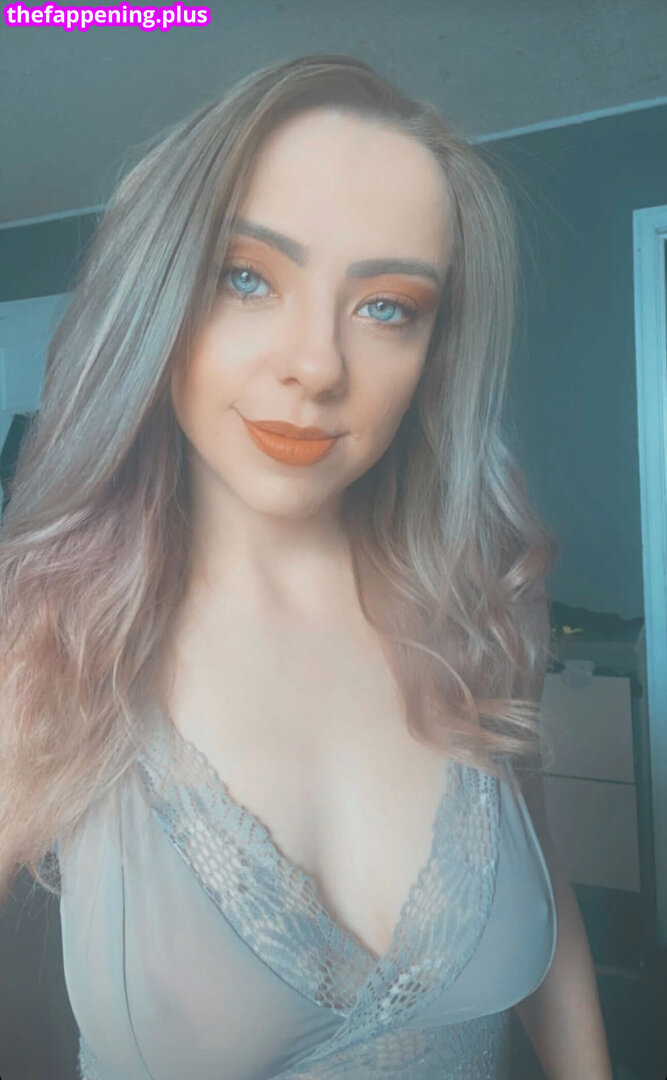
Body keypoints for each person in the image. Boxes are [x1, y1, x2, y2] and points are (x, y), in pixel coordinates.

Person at [0, 53, 613, 1080]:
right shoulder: (42, 639)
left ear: (434, 353)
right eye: (246, 277)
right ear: (159, 297)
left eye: (387, 307)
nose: (318, 365)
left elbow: (551, 925)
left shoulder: (481, 613)